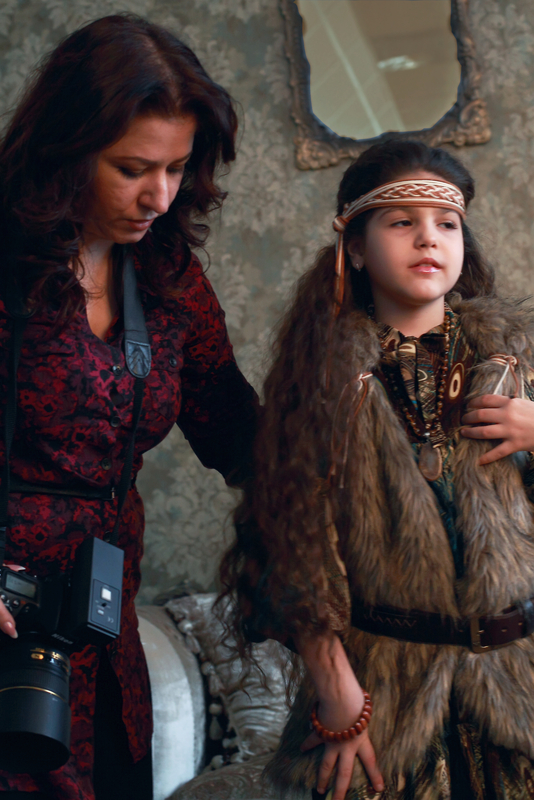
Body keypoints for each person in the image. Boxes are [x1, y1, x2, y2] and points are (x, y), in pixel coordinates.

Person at [221, 140, 534, 799]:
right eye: (401, 222)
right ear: (357, 248)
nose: (428, 238)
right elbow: (289, 548)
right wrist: (338, 693)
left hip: (518, 686)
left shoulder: (515, 363)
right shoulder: (322, 383)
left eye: (446, 223)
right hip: (386, 694)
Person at [0, 14, 257, 800]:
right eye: (133, 168)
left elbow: (240, 434)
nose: (160, 196)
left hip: (102, 633)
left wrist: (349, 389)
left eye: (177, 168)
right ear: (66, 150)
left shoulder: (168, 274)